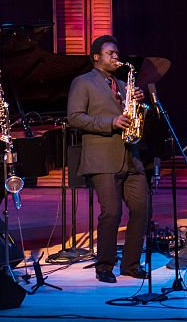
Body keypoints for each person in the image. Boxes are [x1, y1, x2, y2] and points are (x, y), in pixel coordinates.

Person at [67, 35, 149, 283]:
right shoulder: (83, 82)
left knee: (141, 208)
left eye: (117, 53)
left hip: (130, 156)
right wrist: (110, 122)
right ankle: (104, 265)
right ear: (96, 57)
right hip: (102, 157)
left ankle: (131, 264)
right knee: (111, 213)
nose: (116, 57)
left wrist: (140, 106)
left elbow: (133, 118)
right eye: (110, 53)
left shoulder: (125, 85)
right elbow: (75, 118)